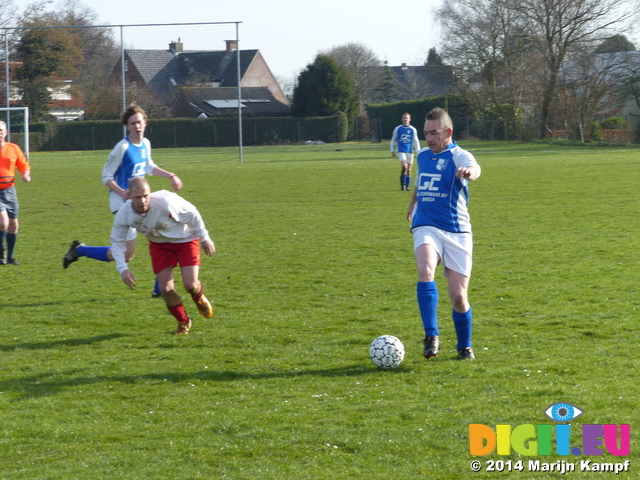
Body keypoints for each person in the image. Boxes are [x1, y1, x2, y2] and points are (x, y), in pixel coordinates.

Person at [63, 104, 183, 298]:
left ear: (146, 123)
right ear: (127, 126)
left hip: (138, 203)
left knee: (131, 252)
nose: (137, 126)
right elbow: (106, 176)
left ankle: (80, 250)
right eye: (132, 123)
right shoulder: (122, 147)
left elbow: (148, 166)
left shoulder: (145, 143)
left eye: (139, 122)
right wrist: (122, 192)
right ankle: (159, 289)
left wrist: (170, 175)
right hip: (122, 205)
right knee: (160, 237)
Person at [406, 107, 481, 360]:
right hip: (426, 223)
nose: (429, 138)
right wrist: (412, 203)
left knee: (458, 296)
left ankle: (464, 346)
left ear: (447, 132)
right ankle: (431, 335)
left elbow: (474, 167)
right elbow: (420, 181)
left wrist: (469, 173)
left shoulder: (460, 155)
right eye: (426, 133)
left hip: (457, 230)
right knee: (425, 268)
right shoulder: (424, 155)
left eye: (434, 133)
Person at [112, 176, 215, 335]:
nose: (143, 201)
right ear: (128, 196)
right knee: (165, 289)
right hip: (159, 245)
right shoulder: (124, 214)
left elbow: (192, 214)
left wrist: (204, 237)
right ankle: (183, 322)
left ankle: (199, 297)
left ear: (150, 193)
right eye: (137, 197)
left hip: (185, 240)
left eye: (146, 196)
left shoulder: (166, 202)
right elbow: (117, 242)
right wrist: (123, 268)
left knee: (190, 285)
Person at [0, 121, 31, 265]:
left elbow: (23, 165)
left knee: (13, 226)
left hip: (9, 191)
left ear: (5, 132)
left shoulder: (13, 148)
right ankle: (1, 253)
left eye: (1, 130)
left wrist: (25, 174)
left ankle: (11, 257)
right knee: (3, 222)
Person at [390, 113, 421, 191]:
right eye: (404, 118)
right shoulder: (398, 129)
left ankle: (407, 187)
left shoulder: (413, 129)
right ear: (402, 119)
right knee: (405, 167)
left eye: (407, 118)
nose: (405, 120)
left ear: (410, 119)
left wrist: (419, 152)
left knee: (409, 170)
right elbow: (393, 139)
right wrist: (392, 150)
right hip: (401, 151)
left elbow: (415, 141)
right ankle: (402, 185)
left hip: (409, 151)